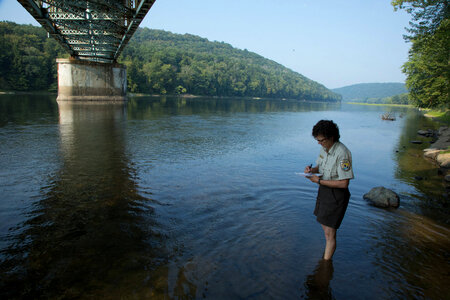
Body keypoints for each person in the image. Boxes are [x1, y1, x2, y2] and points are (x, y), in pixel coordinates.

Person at [304, 120, 354, 260]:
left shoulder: (342, 153)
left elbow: (344, 183)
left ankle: (326, 264)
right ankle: (326, 257)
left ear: (331, 137)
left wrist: (318, 181)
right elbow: (319, 167)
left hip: (336, 195)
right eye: (317, 140)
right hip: (324, 191)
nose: (319, 143)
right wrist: (310, 170)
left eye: (321, 140)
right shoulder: (324, 148)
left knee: (330, 233)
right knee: (325, 227)